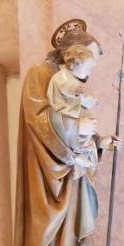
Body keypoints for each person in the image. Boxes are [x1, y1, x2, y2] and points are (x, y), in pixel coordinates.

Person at [11, 22, 118, 246]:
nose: (92, 68)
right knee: (52, 240)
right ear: (75, 53)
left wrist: (97, 142)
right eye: (91, 59)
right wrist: (76, 128)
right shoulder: (40, 74)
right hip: (49, 179)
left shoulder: (72, 80)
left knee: (74, 239)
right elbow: (38, 122)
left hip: (73, 177)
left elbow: (76, 122)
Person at [46, 44, 99, 180]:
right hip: (63, 113)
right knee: (72, 135)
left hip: (70, 114)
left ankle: (79, 158)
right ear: (75, 64)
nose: (89, 72)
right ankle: (76, 157)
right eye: (88, 68)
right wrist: (75, 89)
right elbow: (66, 87)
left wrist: (89, 102)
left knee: (85, 134)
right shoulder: (62, 76)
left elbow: (80, 99)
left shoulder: (71, 78)